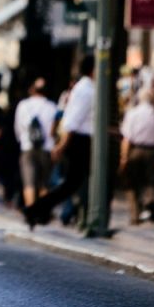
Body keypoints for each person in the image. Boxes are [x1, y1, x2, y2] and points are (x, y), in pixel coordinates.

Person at [25, 55, 95, 228]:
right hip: (80, 141)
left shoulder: (85, 88)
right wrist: (62, 145)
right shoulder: (86, 89)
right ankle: (37, 210)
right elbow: (73, 120)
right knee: (72, 184)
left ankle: (37, 210)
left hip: (80, 139)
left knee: (72, 184)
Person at [13, 78, 58, 209]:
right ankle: (41, 213)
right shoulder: (52, 107)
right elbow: (53, 131)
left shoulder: (23, 105)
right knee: (44, 183)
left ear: (32, 89)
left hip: (27, 148)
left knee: (29, 183)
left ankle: (31, 213)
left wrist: (22, 140)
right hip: (46, 148)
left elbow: (18, 129)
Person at [119, 86, 154, 225]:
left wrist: (123, 157)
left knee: (131, 183)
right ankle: (150, 203)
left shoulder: (133, 113)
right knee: (150, 181)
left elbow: (126, 138)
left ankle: (135, 214)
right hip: (151, 150)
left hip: (135, 150)